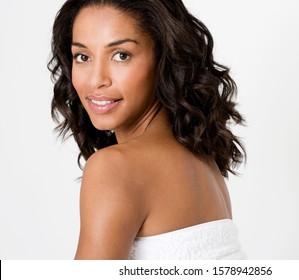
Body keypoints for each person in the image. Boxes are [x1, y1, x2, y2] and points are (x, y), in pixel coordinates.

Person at [48, 0, 246, 260]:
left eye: (121, 55)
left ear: (165, 59)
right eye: (82, 57)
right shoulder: (203, 162)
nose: (96, 79)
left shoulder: (115, 168)